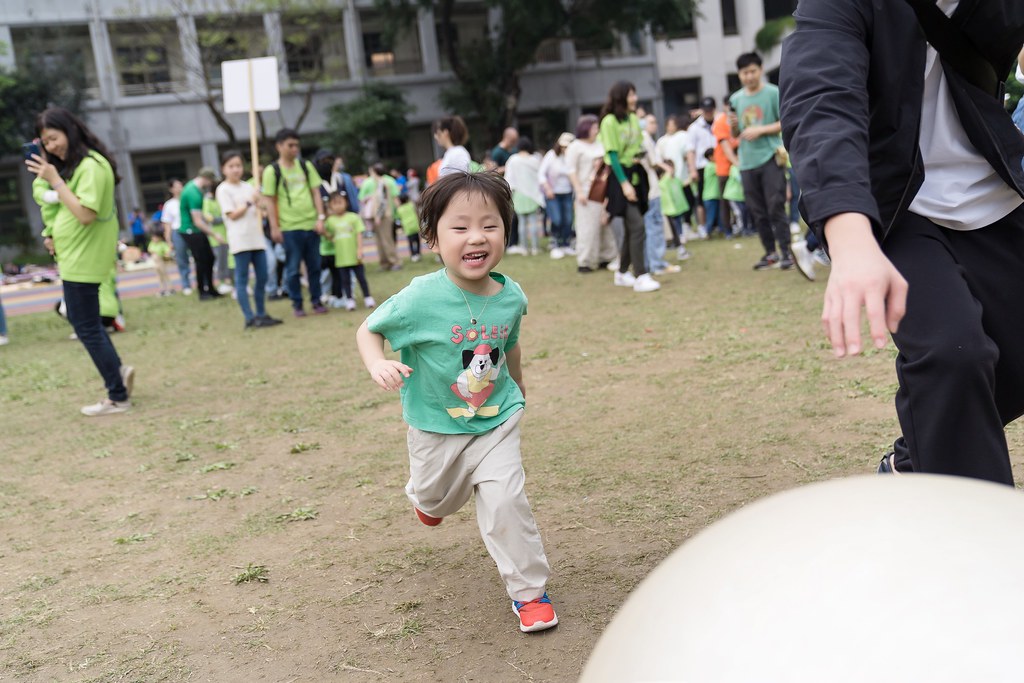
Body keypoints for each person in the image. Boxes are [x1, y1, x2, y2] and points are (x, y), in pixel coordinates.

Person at [780, 0, 1024, 482]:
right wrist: (850, 240)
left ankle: (915, 464)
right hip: (891, 202)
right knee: (954, 354)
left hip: (992, 179)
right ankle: (973, 546)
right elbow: (820, 99)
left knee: (988, 372)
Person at [355, 171, 557, 633]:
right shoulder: (420, 298)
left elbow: (510, 345)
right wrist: (376, 364)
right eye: (460, 227)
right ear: (432, 238)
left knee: (507, 500)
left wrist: (520, 388)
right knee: (435, 499)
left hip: (496, 419)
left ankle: (529, 593)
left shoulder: (511, 297)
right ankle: (426, 498)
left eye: (490, 225)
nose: (476, 237)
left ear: (507, 230)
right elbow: (370, 329)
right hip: (434, 424)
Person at [26, 107, 134, 416]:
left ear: (70, 131)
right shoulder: (82, 167)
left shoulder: (91, 166)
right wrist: (52, 235)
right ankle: (118, 374)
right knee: (87, 324)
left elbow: (86, 214)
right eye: (45, 142)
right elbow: (67, 210)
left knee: (86, 325)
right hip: (74, 255)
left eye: (54, 138)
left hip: (83, 258)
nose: (51, 147)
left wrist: (54, 179)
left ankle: (117, 394)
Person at [731, 52, 793, 271]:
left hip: (770, 157)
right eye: (744, 72)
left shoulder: (773, 93)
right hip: (747, 161)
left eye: (752, 71)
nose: (749, 76)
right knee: (757, 211)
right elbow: (736, 132)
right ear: (739, 74)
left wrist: (761, 130)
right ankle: (770, 253)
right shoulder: (736, 99)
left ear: (760, 69)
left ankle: (787, 251)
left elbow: (786, 121)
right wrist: (734, 126)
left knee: (775, 206)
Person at [599, 81, 660, 292]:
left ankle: (622, 272)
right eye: (631, 95)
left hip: (636, 173)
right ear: (621, 97)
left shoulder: (634, 119)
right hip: (620, 177)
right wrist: (625, 184)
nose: (635, 98)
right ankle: (641, 275)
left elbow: (636, 146)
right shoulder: (609, 122)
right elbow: (613, 155)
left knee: (631, 227)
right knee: (638, 226)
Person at [262, 128, 329, 317]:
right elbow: (269, 200)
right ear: (279, 146)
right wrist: (274, 227)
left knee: (315, 266)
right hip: (290, 228)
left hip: (311, 225)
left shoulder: (306, 166)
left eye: (297, 145)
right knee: (292, 269)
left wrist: (320, 218)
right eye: (290, 145)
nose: (294, 149)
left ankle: (316, 300)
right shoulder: (272, 171)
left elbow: (316, 192)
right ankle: (297, 304)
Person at [216, 150, 283, 329]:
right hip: (240, 240)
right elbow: (232, 215)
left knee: (262, 276)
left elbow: (260, 209)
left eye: (238, 165)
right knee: (242, 279)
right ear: (224, 169)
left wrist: (260, 202)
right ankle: (249, 317)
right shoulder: (223, 189)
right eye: (231, 166)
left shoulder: (248, 187)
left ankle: (261, 313)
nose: (236, 169)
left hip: (257, 238)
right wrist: (248, 203)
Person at [566, 114, 618, 274]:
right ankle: (586, 261)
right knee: (587, 227)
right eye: (594, 127)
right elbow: (571, 170)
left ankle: (606, 256)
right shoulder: (575, 146)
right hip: (587, 192)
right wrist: (579, 191)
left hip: (604, 189)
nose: (596, 130)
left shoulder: (600, 143)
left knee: (605, 224)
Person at [178, 167, 225, 300]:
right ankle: (202, 292)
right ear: (206, 179)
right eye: (211, 181)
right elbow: (197, 221)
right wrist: (214, 234)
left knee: (209, 258)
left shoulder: (196, 189)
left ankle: (210, 288)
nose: (211, 184)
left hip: (197, 230)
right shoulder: (193, 192)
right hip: (191, 231)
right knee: (201, 261)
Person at [325, 191, 374, 311]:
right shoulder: (330, 221)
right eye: (334, 203)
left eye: (340, 202)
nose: (338, 206)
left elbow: (359, 234)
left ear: (346, 202)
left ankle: (368, 297)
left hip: (354, 256)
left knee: (361, 278)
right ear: (330, 206)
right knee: (345, 280)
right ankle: (350, 299)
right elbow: (328, 235)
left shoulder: (353, 217)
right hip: (341, 257)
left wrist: (360, 250)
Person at [504, 137, 545, 255]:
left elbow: (509, 178)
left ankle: (524, 248)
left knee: (522, 223)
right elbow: (540, 176)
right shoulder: (535, 160)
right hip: (533, 194)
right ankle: (535, 248)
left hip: (519, 195)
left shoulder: (513, 160)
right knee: (533, 221)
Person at [539, 132, 576, 258]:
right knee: (557, 219)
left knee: (568, 219)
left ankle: (566, 244)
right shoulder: (551, 156)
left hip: (567, 192)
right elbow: (541, 174)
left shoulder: (572, 158)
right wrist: (547, 188)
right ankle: (555, 243)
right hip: (553, 193)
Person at [359, 163, 401, 271]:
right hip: (381, 216)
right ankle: (385, 263)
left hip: (383, 216)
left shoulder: (383, 183)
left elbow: (383, 201)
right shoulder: (384, 182)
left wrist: (378, 216)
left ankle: (393, 262)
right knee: (381, 240)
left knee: (385, 240)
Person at [686, 97, 719, 233]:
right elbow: (690, 150)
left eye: (710, 110)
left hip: (719, 164)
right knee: (702, 198)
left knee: (721, 195)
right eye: (706, 110)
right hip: (702, 166)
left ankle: (720, 225)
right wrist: (692, 170)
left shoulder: (719, 122)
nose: (708, 113)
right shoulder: (694, 128)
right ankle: (703, 226)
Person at [712, 98, 740, 237]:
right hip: (725, 168)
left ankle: (745, 227)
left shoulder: (740, 117)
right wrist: (737, 164)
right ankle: (727, 230)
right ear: (724, 106)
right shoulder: (720, 122)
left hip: (739, 167)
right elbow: (725, 146)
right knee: (725, 202)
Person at [160, 179, 192, 295]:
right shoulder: (169, 204)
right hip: (178, 232)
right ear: (171, 189)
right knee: (182, 259)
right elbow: (167, 224)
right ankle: (186, 284)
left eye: (181, 185)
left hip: (191, 230)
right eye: (177, 186)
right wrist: (168, 240)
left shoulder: (188, 200)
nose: (180, 188)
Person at [659, 159, 691, 260]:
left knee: (678, 226)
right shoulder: (663, 181)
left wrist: (691, 177)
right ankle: (677, 245)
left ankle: (679, 245)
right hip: (669, 210)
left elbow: (682, 183)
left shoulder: (675, 179)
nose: (672, 170)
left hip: (676, 209)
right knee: (673, 228)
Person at [396, 194, 422, 262]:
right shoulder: (411, 205)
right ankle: (418, 253)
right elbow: (417, 212)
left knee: (410, 242)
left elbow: (399, 218)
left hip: (407, 227)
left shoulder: (399, 209)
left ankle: (413, 255)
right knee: (417, 240)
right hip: (415, 225)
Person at [147, 230, 173, 296]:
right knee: (159, 277)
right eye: (153, 238)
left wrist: (166, 254)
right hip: (155, 264)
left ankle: (170, 289)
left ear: (159, 238)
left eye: (155, 237)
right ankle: (162, 289)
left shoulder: (162, 244)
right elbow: (150, 250)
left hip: (161, 262)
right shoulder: (152, 243)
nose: (154, 239)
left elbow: (168, 251)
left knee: (165, 276)